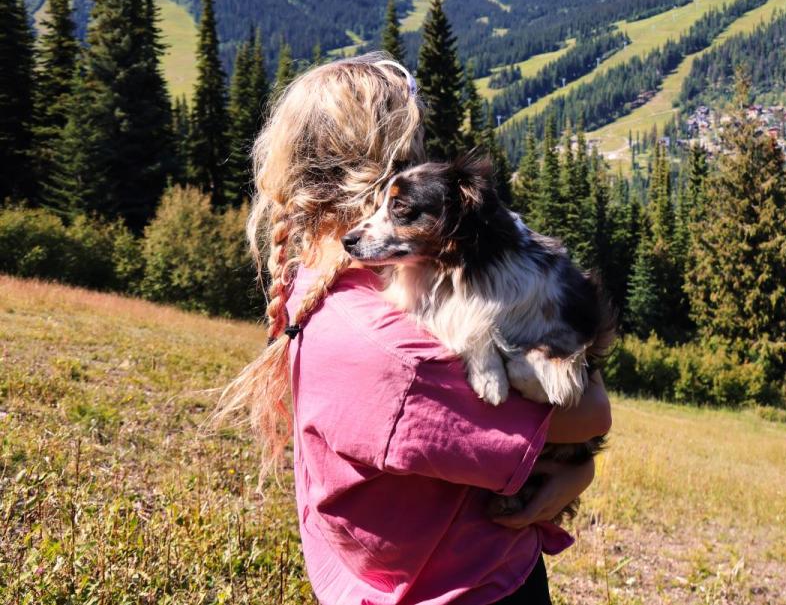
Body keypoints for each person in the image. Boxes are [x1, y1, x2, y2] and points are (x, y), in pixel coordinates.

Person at [217, 52, 610, 605]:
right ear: (395, 165)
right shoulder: (400, 351)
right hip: (464, 585)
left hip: (371, 578)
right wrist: (579, 470)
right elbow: (589, 415)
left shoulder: (319, 280)